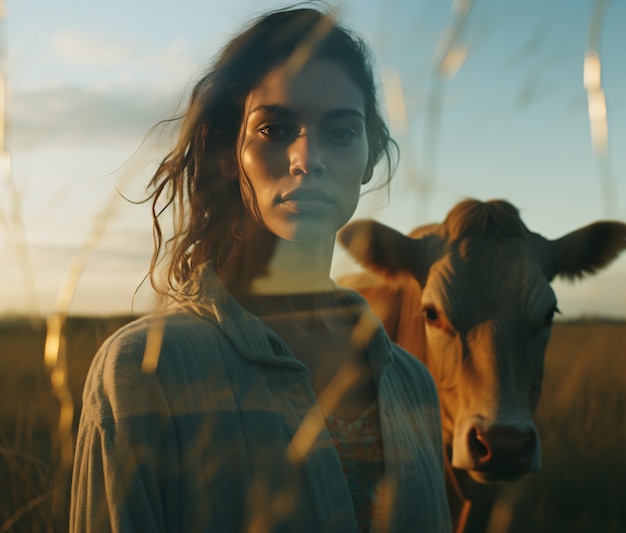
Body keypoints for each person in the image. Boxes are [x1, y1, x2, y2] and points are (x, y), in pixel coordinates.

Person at [69, 4, 451, 532]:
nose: (307, 157)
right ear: (229, 153)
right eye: (274, 129)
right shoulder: (142, 372)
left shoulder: (412, 384)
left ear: (369, 157)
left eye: (341, 131)